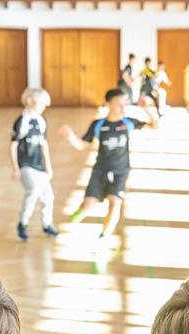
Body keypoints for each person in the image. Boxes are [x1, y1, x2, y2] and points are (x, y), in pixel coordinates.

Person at [59, 88, 147, 240]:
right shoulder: (98, 125)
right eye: (119, 104)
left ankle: (103, 236)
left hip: (120, 171)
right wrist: (70, 136)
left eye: (124, 104)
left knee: (114, 203)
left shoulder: (128, 123)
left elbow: (155, 125)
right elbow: (83, 145)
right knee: (87, 206)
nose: (122, 108)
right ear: (108, 104)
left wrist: (145, 109)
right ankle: (70, 223)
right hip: (100, 170)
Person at [10, 87, 58, 242]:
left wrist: (48, 166)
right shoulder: (22, 121)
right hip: (25, 164)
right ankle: (22, 224)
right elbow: (13, 145)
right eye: (41, 104)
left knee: (48, 196)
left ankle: (47, 224)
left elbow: (44, 144)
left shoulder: (41, 121)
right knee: (33, 190)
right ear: (30, 101)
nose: (43, 107)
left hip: (39, 166)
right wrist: (15, 168)